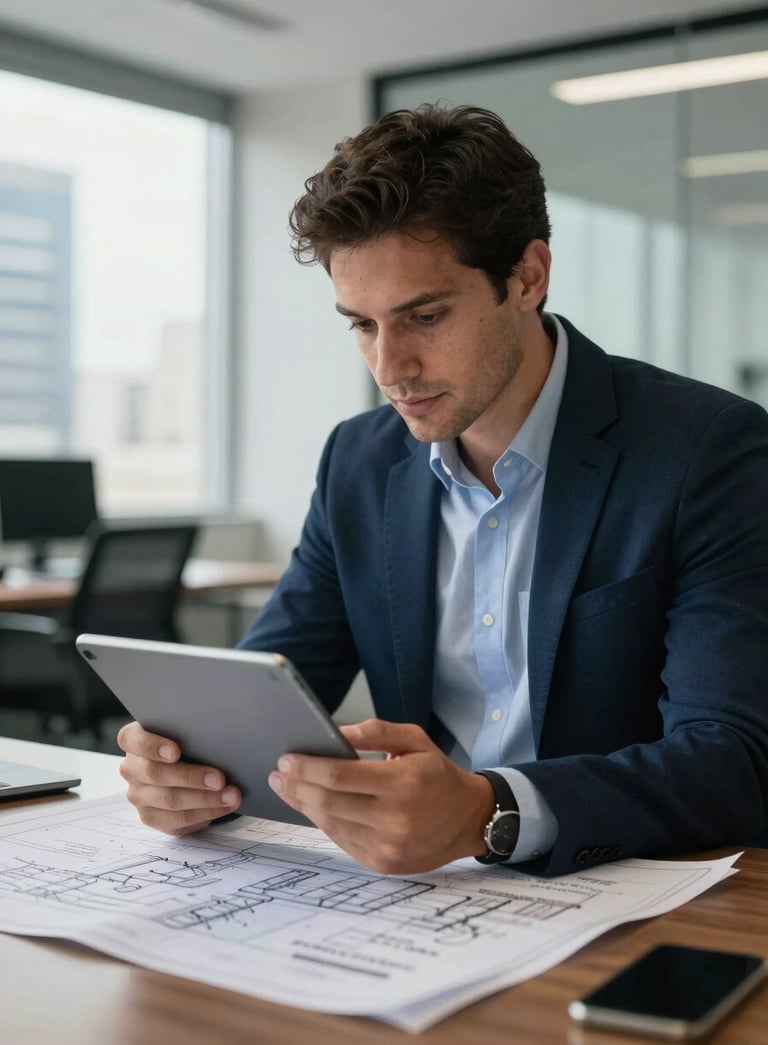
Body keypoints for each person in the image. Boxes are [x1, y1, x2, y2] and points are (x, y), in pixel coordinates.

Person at [118, 104, 768, 877]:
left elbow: (735, 761)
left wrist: (492, 808)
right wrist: (188, 764)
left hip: (625, 890)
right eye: (361, 324)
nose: (390, 367)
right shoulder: (359, 462)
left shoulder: (707, 450)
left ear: (528, 277)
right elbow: (271, 685)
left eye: (423, 316)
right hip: (419, 903)